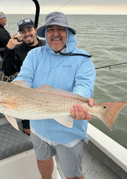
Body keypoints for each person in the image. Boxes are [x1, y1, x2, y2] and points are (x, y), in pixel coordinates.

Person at [13, 12, 96, 179]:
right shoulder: (34, 55)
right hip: (38, 126)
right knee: (42, 159)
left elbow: (84, 86)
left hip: (67, 131)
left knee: (72, 174)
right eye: (51, 29)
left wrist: (79, 103)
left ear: (68, 33)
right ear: (44, 33)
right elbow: (23, 78)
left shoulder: (83, 58)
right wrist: (1, 95)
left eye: (60, 29)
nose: (56, 33)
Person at [2, 18, 45, 135]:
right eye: (23, 31)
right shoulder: (17, 49)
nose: (27, 34)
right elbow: (8, 72)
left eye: (29, 30)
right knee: (28, 130)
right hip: (25, 94)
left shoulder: (46, 46)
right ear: (20, 34)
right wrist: (8, 50)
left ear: (35, 30)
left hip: (45, 91)